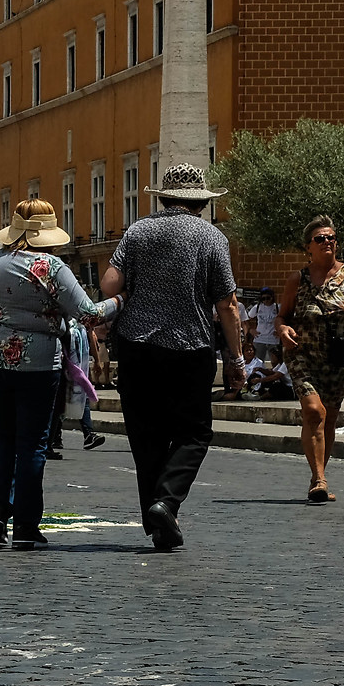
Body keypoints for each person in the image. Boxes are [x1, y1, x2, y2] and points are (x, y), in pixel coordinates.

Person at [100, 163, 243, 550]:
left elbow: (109, 283)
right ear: (200, 202)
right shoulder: (211, 237)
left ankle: (160, 521)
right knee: (194, 433)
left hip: (136, 346)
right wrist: (236, 357)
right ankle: (167, 502)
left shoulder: (137, 231)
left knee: (146, 435)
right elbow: (227, 304)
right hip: (188, 347)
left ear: (161, 197)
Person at [0, 201, 114, 548]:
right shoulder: (52, 266)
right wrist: (119, 302)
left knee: (6, 438)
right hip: (37, 360)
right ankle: (27, 527)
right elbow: (89, 313)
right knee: (33, 443)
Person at [276, 214, 344, 505]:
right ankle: (319, 480)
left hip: (338, 358)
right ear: (308, 247)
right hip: (302, 356)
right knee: (313, 411)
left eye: (331, 238)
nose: (327, 243)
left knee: (329, 418)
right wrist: (283, 328)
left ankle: (317, 476)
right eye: (320, 239)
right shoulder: (298, 279)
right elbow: (282, 315)